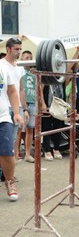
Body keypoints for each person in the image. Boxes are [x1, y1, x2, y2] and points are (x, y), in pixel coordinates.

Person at [0, 37, 29, 162]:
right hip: (4, 108)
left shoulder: (20, 67)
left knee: (12, 140)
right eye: (16, 49)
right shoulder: (1, 65)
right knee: (4, 142)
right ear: (8, 49)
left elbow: (21, 90)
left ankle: (6, 174)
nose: (19, 52)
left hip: (17, 108)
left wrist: (25, 109)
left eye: (20, 49)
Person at [0, 62, 24, 201]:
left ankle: (10, 182)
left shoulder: (3, 68)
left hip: (3, 117)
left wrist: (16, 112)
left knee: (7, 152)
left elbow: (12, 91)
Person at [41, 83, 64, 161]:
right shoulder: (46, 77)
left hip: (58, 105)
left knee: (58, 126)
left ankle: (56, 148)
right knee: (47, 127)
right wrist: (43, 104)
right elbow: (40, 89)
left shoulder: (60, 78)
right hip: (48, 104)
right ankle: (47, 150)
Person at [20, 50, 36, 163]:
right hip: (22, 103)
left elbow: (40, 87)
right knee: (18, 129)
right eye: (26, 57)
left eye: (30, 57)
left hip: (33, 102)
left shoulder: (34, 73)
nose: (29, 59)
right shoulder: (18, 70)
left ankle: (27, 153)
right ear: (21, 59)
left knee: (30, 128)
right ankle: (15, 153)